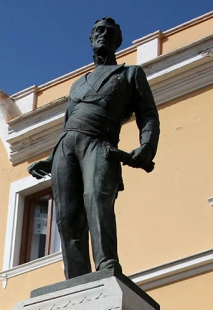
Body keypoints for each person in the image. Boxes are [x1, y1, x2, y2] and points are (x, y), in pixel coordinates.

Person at [28, 17, 159, 279]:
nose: (103, 36)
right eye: (98, 31)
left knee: (97, 199)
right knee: (66, 218)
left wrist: (147, 146)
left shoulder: (130, 74)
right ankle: (75, 277)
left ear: (116, 41)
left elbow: (148, 115)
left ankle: (107, 266)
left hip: (99, 142)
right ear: (91, 39)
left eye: (109, 33)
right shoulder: (78, 83)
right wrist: (51, 158)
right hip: (67, 147)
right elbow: (68, 123)